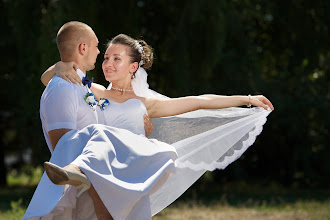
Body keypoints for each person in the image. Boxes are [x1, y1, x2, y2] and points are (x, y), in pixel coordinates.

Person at [25, 33, 273, 220]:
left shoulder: (145, 105)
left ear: (133, 67)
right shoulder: (96, 91)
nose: (107, 63)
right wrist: (59, 66)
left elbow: (199, 102)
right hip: (101, 174)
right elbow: (50, 80)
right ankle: (77, 170)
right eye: (107, 57)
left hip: (130, 176)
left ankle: (79, 170)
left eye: (116, 59)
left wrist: (247, 99)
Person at [23, 22, 154, 220]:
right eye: (96, 46)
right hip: (88, 191)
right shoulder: (62, 86)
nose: (99, 52)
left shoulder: (85, 86)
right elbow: (62, 146)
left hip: (109, 183)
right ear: (83, 48)